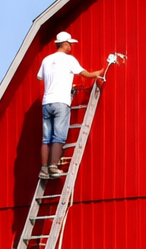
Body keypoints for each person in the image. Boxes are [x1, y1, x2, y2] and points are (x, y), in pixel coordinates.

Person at [36, 32, 105, 179]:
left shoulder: (46, 60)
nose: (71, 47)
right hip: (61, 101)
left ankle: (44, 169)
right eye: (70, 44)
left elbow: (39, 77)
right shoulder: (69, 60)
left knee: (46, 139)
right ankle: (53, 167)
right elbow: (83, 73)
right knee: (58, 136)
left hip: (47, 102)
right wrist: (96, 73)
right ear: (65, 44)